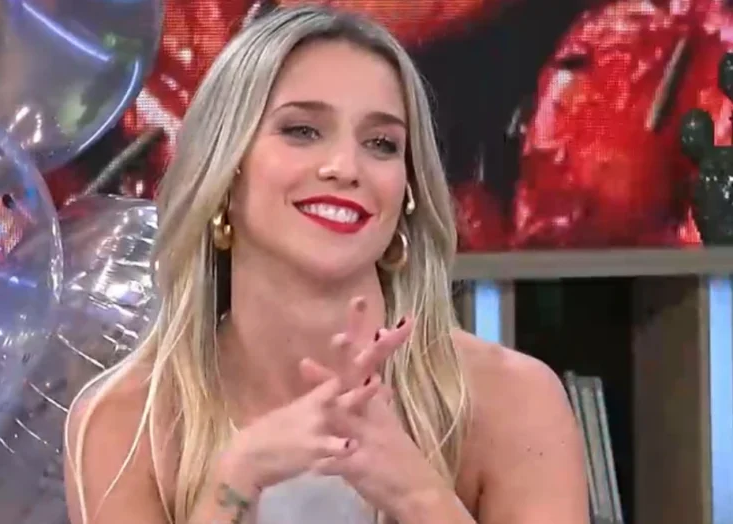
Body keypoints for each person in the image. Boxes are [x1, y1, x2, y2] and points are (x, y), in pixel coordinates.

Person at [64, 5, 589, 524]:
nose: (345, 167)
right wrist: (234, 480)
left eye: (381, 143)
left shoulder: (514, 401)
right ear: (225, 171)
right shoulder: (124, 420)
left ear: (407, 191)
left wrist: (419, 496)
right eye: (301, 130)